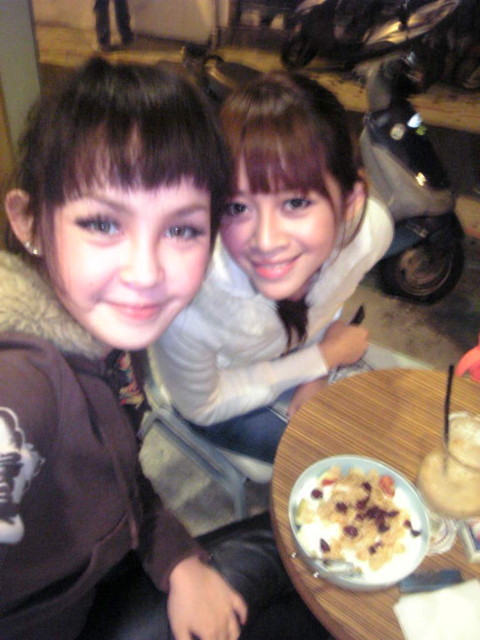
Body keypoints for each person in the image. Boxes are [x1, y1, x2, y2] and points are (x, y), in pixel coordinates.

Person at [0, 58, 327, 640]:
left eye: (181, 229)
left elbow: (119, 474)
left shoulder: (108, 337)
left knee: (316, 556)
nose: (146, 272)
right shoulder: (25, 382)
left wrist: (176, 559)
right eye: (103, 223)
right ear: (28, 222)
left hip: (106, 570)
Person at [149, 71, 394, 463]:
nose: (265, 241)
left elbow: (331, 298)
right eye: (236, 207)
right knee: (345, 459)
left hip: (296, 357)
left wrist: (317, 364)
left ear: (350, 201)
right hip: (221, 395)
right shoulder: (189, 301)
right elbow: (203, 405)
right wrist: (320, 360)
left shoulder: (370, 235)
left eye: (295, 203)